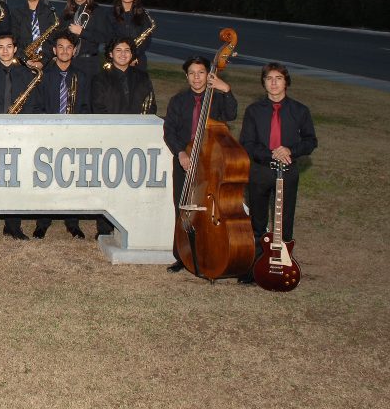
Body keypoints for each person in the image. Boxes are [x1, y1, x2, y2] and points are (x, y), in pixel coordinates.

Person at [238, 62, 317, 283]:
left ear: (286, 82)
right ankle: (255, 267)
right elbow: (247, 143)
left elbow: (311, 141)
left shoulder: (300, 111)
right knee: (257, 221)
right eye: (269, 78)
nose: (273, 83)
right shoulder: (254, 111)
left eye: (278, 78)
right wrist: (271, 153)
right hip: (261, 171)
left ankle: (282, 264)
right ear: (263, 83)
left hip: (288, 172)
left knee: (285, 221)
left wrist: (290, 150)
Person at [162, 55, 238, 272]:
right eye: (192, 73)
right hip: (185, 162)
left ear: (209, 74)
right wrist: (180, 154)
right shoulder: (179, 101)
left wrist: (226, 89)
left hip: (211, 163)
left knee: (210, 210)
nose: (197, 77)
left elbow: (231, 114)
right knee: (183, 208)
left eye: (201, 72)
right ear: (186, 76)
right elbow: (170, 131)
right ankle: (182, 256)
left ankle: (210, 250)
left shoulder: (217, 97)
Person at [0, 33, 39, 241]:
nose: (5, 50)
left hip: (19, 133)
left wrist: (19, 124)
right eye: (0, 47)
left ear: (15, 49)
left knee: (16, 180)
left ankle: (14, 226)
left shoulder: (26, 74)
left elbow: (31, 104)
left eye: (9, 47)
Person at [90, 37, 156, 238]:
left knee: (134, 181)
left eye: (127, 50)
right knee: (108, 183)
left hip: (137, 138)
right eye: (118, 50)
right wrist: (116, 130)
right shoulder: (100, 78)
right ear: (110, 53)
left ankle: (132, 222)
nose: (123, 54)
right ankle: (104, 227)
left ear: (132, 54)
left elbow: (150, 106)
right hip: (111, 137)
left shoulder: (143, 77)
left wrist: (139, 129)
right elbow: (97, 108)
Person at [32, 32, 92, 239]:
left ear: (74, 51)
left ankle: (72, 222)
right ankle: (43, 222)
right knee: (46, 177)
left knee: (71, 177)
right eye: (60, 47)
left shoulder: (82, 77)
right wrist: (49, 127)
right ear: (54, 50)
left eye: (69, 47)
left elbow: (86, 106)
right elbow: (37, 106)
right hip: (49, 134)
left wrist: (76, 127)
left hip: (73, 135)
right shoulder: (44, 76)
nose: (64, 51)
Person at [62, 0, 107, 83]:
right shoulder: (66, 12)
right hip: (69, 62)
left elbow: (104, 37)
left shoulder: (97, 11)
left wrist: (82, 32)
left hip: (89, 63)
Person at [12, 0, 59, 71]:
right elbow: (14, 39)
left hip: (46, 63)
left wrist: (43, 62)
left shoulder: (49, 12)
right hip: (22, 62)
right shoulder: (16, 13)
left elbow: (53, 40)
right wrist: (25, 60)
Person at [109, 0, 155, 68]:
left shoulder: (144, 15)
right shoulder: (109, 15)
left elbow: (146, 41)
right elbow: (109, 39)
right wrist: (122, 56)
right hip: (116, 62)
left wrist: (133, 56)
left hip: (137, 62)